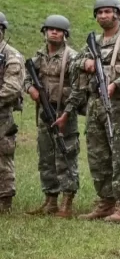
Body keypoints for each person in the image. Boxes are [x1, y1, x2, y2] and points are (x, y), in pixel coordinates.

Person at [59, 0, 120, 222]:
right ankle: (105, 202)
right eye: (99, 12)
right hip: (95, 105)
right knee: (98, 156)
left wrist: (116, 84)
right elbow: (73, 63)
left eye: (108, 11)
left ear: (118, 14)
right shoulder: (94, 43)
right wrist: (86, 64)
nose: (103, 16)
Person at [24, 15, 83, 218]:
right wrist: (30, 89)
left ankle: (67, 202)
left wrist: (67, 113)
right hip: (44, 113)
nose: (54, 32)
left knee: (66, 156)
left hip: (63, 112)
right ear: (44, 32)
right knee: (46, 156)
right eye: (50, 29)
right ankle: (50, 200)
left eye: (58, 30)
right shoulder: (39, 57)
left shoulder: (72, 57)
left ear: (65, 34)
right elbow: (26, 77)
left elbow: (79, 88)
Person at [0, 12, 25, 214]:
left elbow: (12, 89)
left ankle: (4, 202)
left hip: (2, 115)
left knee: (2, 158)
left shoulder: (11, 56)